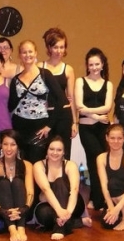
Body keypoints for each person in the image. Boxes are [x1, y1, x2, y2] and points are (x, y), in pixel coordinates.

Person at [8, 40, 66, 164]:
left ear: (35, 53)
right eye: (24, 52)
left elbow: (61, 100)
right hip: (20, 126)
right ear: (19, 55)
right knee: (23, 165)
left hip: (40, 127)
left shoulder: (45, 74)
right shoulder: (15, 80)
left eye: (30, 51)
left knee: (37, 164)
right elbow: (10, 105)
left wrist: (49, 126)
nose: (27, 55)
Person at [74, 47, 114, 210]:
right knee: (96, 160)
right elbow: (79, 106)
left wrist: (89, 111)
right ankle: (98, 199)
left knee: (101, 162)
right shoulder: (80, 81)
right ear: (87, 66)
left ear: (102, 64)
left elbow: (107, 107)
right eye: (91, 64)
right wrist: (97, 116)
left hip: (103, 129)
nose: (94, 67)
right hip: (87, 129)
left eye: (97, 64)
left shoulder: (108, 84)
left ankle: (99, 197)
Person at [33, 137, 90, 240]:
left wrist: (67, 213)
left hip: (72, 204)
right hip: (49, 204)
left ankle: (59, 228)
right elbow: (46, 189)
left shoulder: (70, 165)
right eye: (52, 149)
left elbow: (74, 190)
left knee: (59, 182)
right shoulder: (38, 165)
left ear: (64, 152)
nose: (55, 153)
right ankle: (77, 222)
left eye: (59, 150)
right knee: (44, 214)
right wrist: (59, 211)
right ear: (47, 150)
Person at [0, 129, 34, 241]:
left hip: (23, 211)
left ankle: (21, 228)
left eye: (13, 144)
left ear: (18, 146)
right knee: (4, 183)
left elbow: (30, 191)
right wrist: (3, 211)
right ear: (1, 146)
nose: (8, 148)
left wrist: (24, 209)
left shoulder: (27, 165)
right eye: (5, 144)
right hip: (1, 210)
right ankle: (12, 229)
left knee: (17, 182)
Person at [40, 28, 78, 159]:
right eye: (55, 47)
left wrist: (74, 122)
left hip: (64, 116)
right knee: (45, 153)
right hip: (46, 115)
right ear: (49, 48)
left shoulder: (68, 69)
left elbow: (71, 97)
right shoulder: (40, 67)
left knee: (64, 153)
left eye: (62, 47)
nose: (59, 51)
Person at [96, 124, 124, 231]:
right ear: (107, 138)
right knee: (107, 224)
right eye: (112, 138)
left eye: (119, 138)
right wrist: (111, 208)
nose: (116, 141)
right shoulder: (101, 158)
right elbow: (104, 186)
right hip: (113, 200)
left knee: (114, 183)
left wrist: (117, 208)